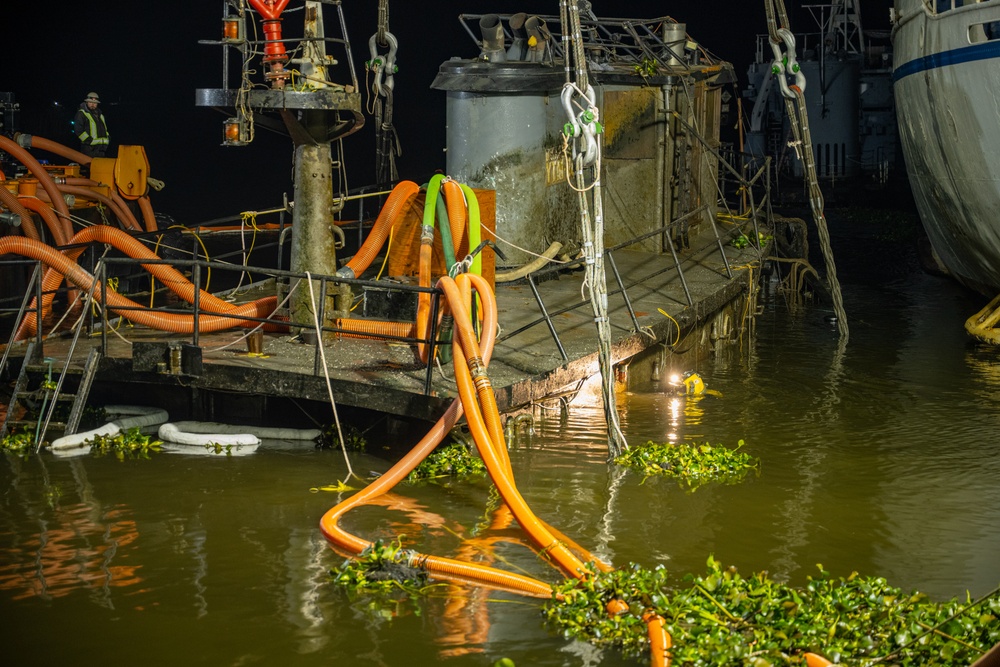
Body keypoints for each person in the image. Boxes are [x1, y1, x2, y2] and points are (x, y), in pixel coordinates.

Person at [74, 92, 110, 158]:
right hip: (89, 149)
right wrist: (88, 140)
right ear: (86, 102)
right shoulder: (81, 114)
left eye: (95, 103)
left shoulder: (101, 115)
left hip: (101, 149)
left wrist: (108, 138)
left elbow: (105, 129)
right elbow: (78, 130)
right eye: (90, 102)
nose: (93, 104)